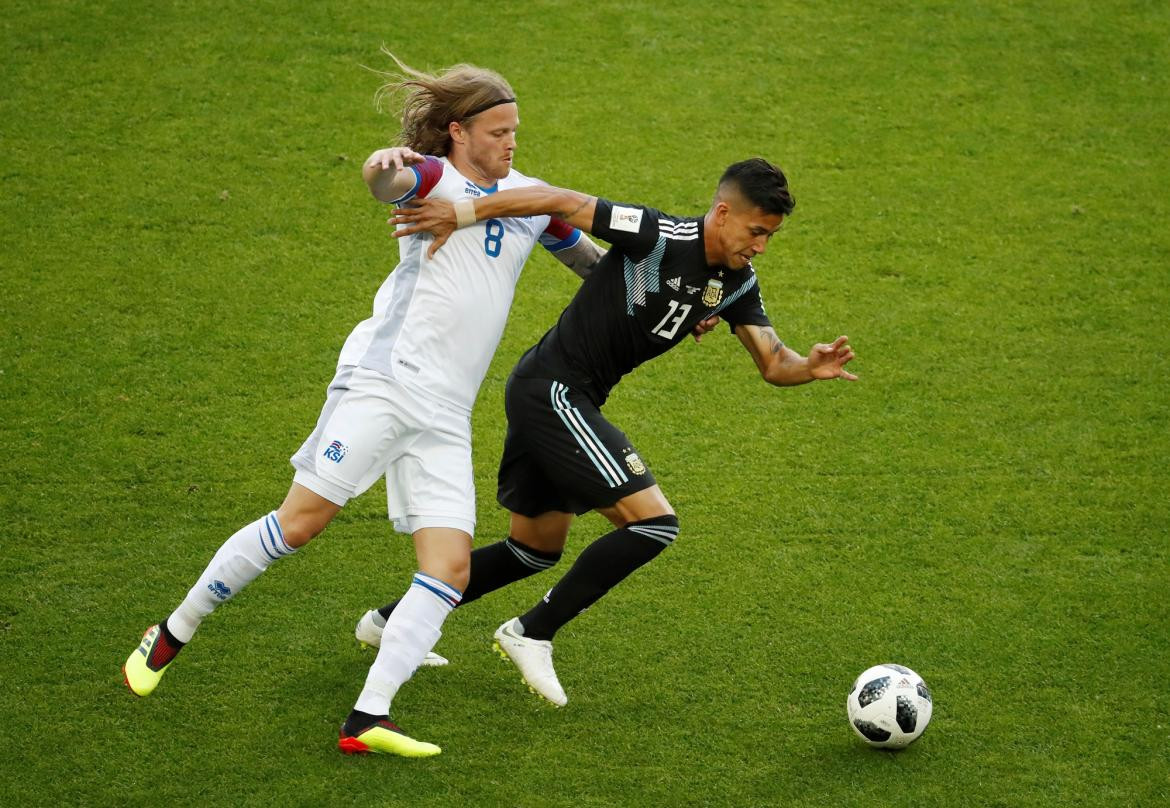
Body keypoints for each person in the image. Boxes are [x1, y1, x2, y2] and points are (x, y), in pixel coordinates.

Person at [121, 54, 607, 757]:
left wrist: (652, 294)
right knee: (300, 524)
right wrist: (383, 167)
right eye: (498, 132)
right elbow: (392, 180)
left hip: (445, 411)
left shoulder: (526, 197)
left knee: (449, 570)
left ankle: (366, 720)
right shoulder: (438, 177)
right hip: (384, 383)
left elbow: (587, 261)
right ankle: (170, 633)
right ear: (458, 132)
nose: (510, 144)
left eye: (515, 131)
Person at [375, 157, 856, 706]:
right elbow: (558, 201)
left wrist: (809, 367)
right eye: (756, 232)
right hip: (554, 390)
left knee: (533, 549)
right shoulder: (657, 235)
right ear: (723, 213)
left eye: (771, 236)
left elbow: (773, 363)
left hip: (557, 395)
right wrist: (458, 214)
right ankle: (531, 631)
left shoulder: (737, 283)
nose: (762, 246)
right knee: (654, 525)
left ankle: (388, 623)